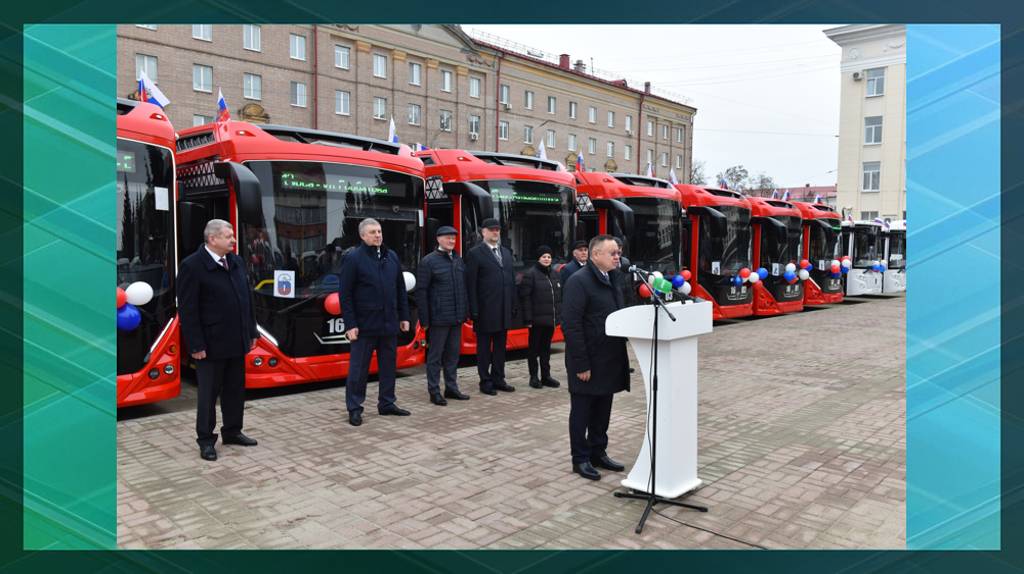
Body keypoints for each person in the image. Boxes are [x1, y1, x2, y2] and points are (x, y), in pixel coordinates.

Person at [176, 219, 258, 461]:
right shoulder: (192, 266)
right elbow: (188, 310)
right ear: (212, 239)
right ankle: (206, 440)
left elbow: (247, 300)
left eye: (232, 235)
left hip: (236, 339)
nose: (233, 240)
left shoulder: (236, 261)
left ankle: (232, 431)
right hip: (210, 344)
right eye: (228, 236)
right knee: (208, 395)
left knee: (235, 390)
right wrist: (196, 345)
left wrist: (251, 331)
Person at [560, 234, 630, 481]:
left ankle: (598, 451)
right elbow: (571, 325)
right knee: (582, 412)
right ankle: (580, 459)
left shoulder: (613, 277)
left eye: (618, 253)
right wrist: (581, 363)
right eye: (612, 253)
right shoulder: (579, 282)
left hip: (608, 358)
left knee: (603, 410)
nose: (617, 257)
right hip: (587, 361)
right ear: (596, 254)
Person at [338, 218, 412, 426]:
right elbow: (345, 294)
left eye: (379, 231)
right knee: (358, 370)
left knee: (388, 366)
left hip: (388, 323)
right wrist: (350, 324)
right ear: (362, 236)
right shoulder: (353, 258)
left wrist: (404, 316)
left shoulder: (391, 256)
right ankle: (354, 408)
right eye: (372, 232)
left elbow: (400, 289)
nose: (378, 235)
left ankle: (387, 403)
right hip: (364, 325)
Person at [415, 225, 471, 406]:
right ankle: (434, 391)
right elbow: (421, 292)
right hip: (438, 318)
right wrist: (424, 320)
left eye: (454, 238)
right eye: (448, 238)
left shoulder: (458, 260)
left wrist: (465, 312)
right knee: (435, 356)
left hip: (456, 317)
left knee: (453, 355)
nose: (451, 241)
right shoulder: (428, 262)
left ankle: (452, 388)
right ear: (438, 239)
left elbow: (463, 288)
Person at [465, 217, 517, 395]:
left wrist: (513, 305)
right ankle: (485, 381)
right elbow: (471, 284)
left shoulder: (507, 252)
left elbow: (511, 281)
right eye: (492, 230)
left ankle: (499, 378)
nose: (496, 232)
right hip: (485, 310)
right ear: (483, 232)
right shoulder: (475, 253)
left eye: (498, 230)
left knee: (501, 348)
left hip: (503, 310)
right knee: (484, 349)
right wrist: (473, 310)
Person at [519, 245, 562, 389]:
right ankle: (533, 377)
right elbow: (525, 298)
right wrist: (528, 319)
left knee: (546, 350)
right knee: (533, 350)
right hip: (536, 321)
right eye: (544, 256)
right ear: (539, 258)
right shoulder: (530, 274)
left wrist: (558, 316)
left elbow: (558, 297)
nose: (547, 259)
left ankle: (546, 376)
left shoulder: (555, 274)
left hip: (550, 320)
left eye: (549, 257)